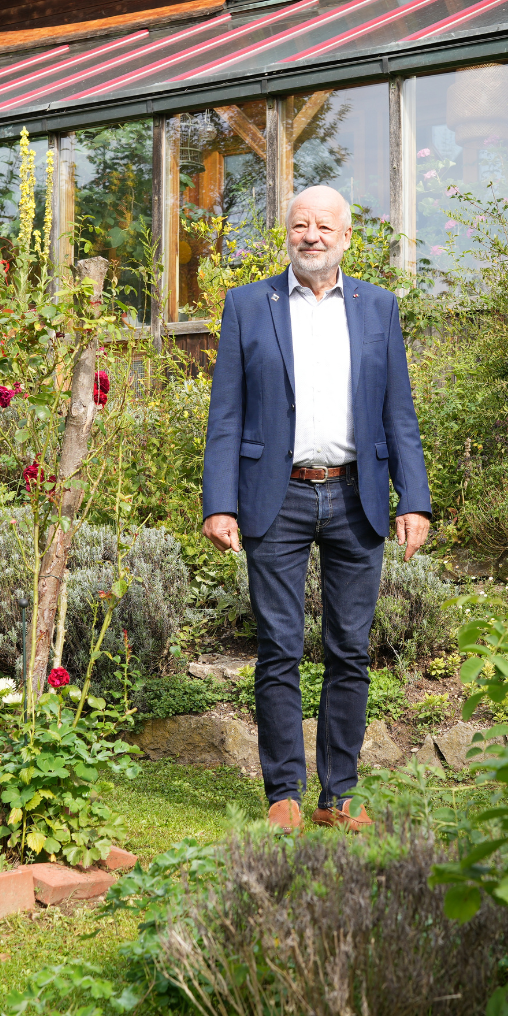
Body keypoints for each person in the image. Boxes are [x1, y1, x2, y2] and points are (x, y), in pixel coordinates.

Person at [201, 185, 431, 834]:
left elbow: (400, 414)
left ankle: (339, 793)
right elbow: (226, 414)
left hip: (357, 493)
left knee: (350, 650)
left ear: (347, 236)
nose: (311, 236)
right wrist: (219, 501)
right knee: (279, 648)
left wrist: (413, 499)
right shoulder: (249, 306)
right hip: (278, 493)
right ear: (288, 236)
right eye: (300, 225)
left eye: (324, 226)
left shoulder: (379, 308)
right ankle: (284, 794)